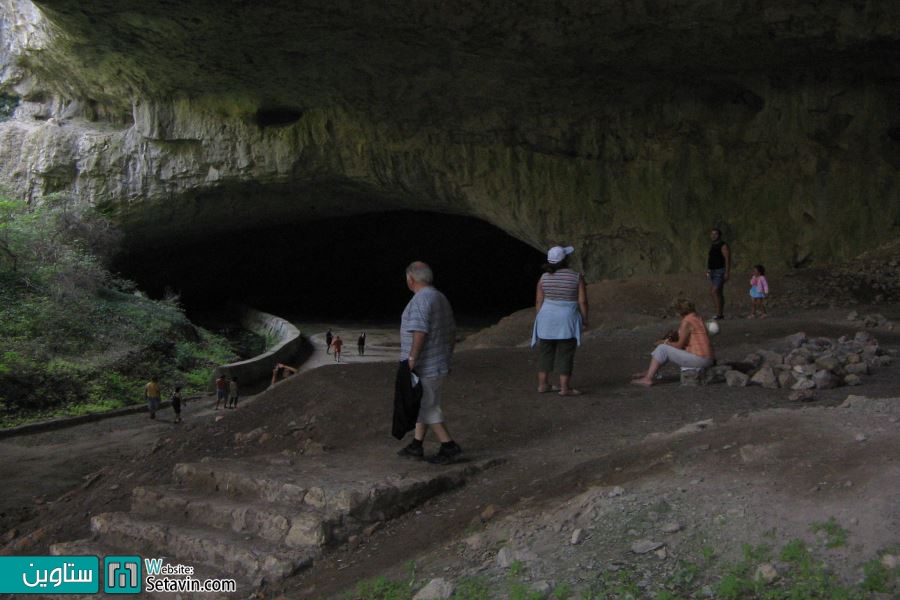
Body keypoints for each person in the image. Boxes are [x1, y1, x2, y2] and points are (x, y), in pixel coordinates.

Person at [396, 261, 461, 465]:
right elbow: (451, 331)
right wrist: (447, 356)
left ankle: (449, 446)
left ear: (410, 279)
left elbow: (420, 331)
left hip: (426, 365)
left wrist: (412, 359)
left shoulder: (421, 300)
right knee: (424, 403)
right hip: (438, 362)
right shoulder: (439, 297)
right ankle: (417, 444)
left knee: (428, 406)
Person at [531, 245, 589, 397]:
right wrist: (584, 319)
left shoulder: (543, 278)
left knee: (545, 352)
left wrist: (540, 318)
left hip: (546, 317)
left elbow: (538, 301)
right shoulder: (576, 277)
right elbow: (582, 301)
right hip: (567, 319)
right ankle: (565, 388)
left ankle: (543, 385)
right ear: (566, 260)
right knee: (565, 353)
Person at [631, 299, 715, 386]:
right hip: (708, 358)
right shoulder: (697, 318)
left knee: (662, 348)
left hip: (700, 359)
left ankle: (648, 378)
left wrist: (664, 342)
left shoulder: (687, 321)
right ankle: (650, 372)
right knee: (665, 348)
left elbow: (679, 345)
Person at [706, 228, 731, 320]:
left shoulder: (723, 245)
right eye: (712, 234)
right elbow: (711, 259)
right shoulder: (713, 245)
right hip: (712, 271)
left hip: (720, 271)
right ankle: (720, 314)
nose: (713, 236)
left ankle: (719, 314)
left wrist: (727, 272)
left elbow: (727, 259)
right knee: (719, 292)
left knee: (714, 291)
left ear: (719, 235)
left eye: (715, 234)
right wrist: (708, 271)